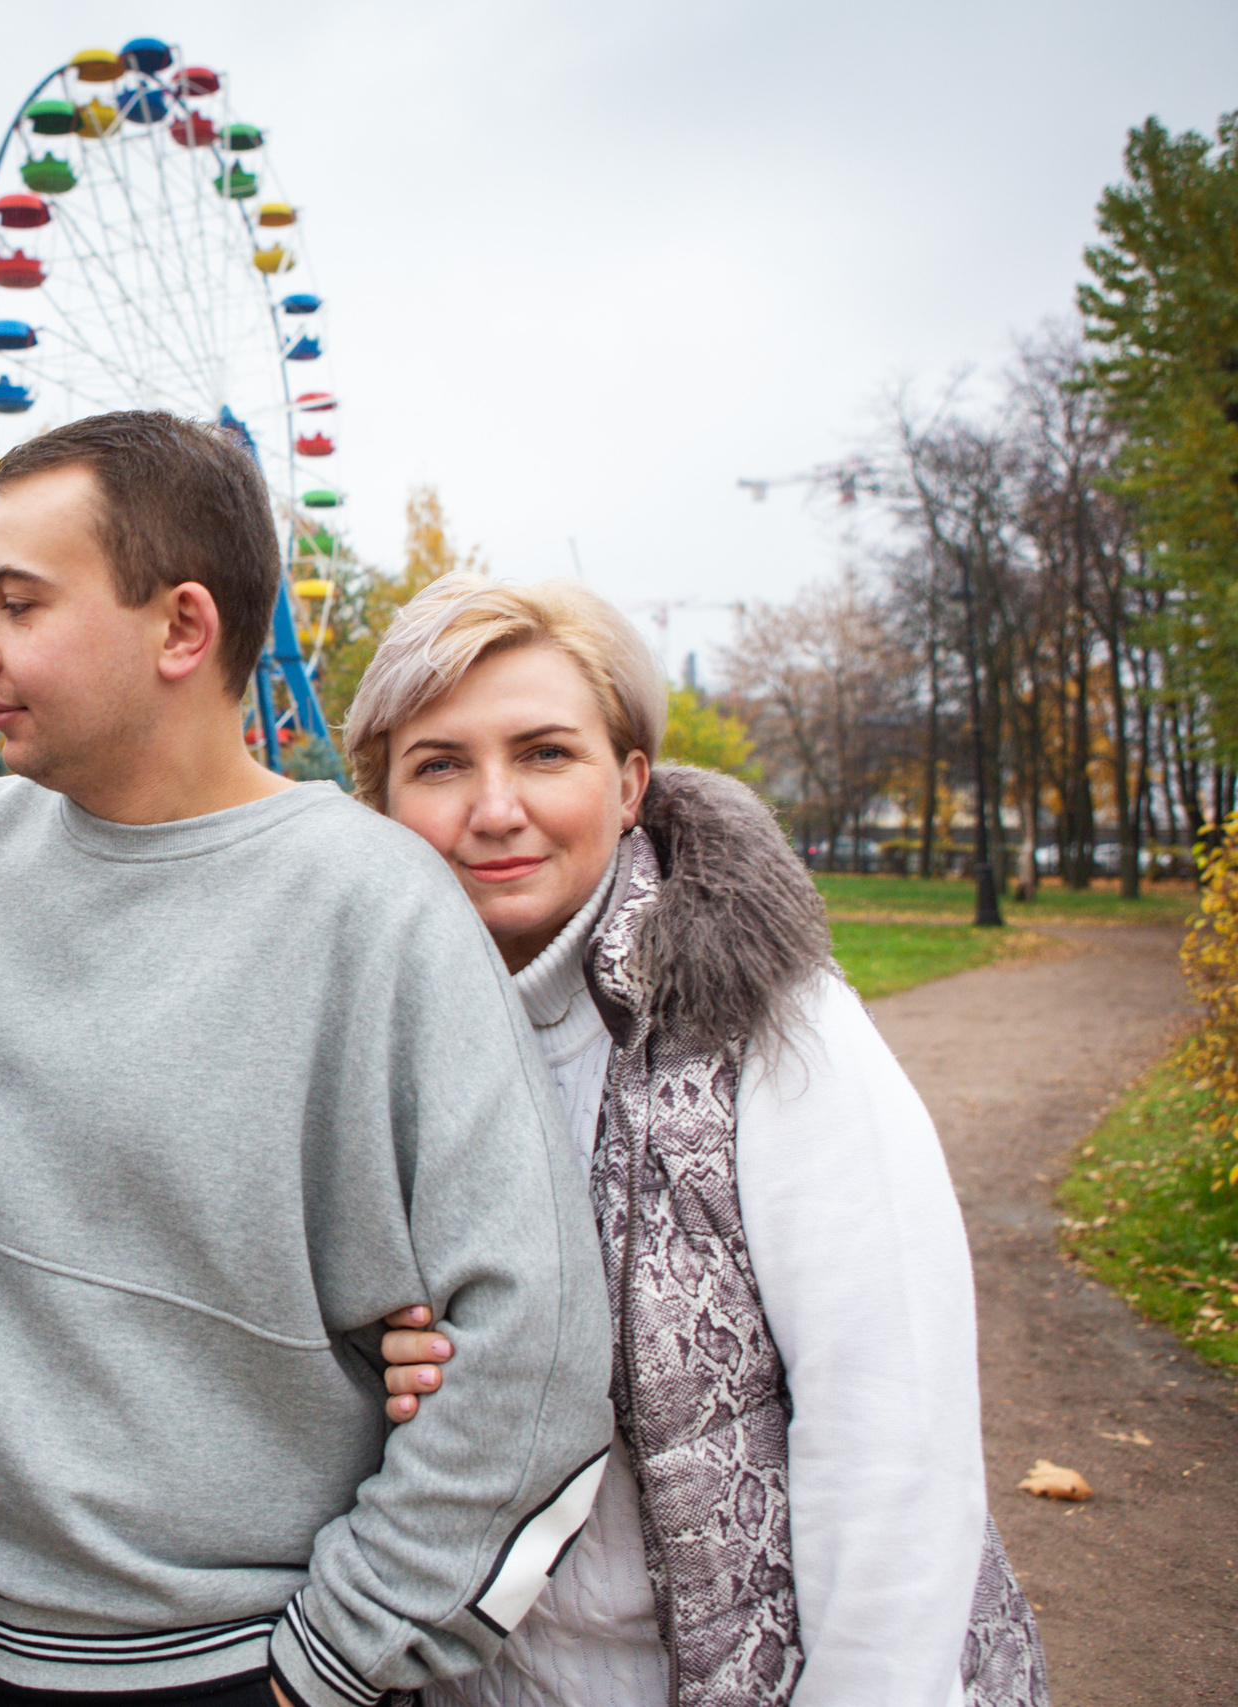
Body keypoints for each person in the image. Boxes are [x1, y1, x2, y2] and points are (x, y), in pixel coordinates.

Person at [0, 411, 615, 1707]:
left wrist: (331, 1661)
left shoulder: (376, 907)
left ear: (183, 628)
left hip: (235, 1665)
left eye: (18, 602)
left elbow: (532, 1348)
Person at [345, 573, 1048, 1707]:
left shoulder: (764, 1024)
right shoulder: (361, 1056)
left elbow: (891, 1427)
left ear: (628, 784)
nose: (492, 807)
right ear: (380, 803)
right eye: (438, 764)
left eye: (543, 754)